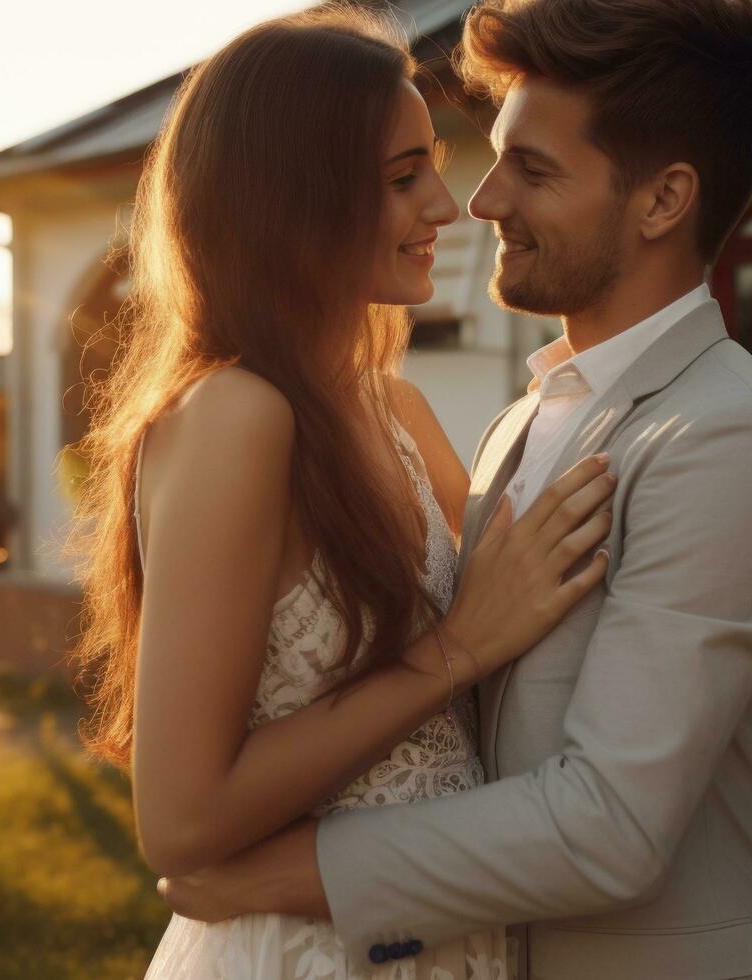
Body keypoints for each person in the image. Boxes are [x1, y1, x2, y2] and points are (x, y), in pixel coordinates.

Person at [155, 1, 752, 978]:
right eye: (487, 158)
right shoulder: (519, 423)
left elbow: (608, 824)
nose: (478, 202)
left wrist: (270, 877)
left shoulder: (730, 439)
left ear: (662, 202)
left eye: (533, 169)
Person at [69, 6, 617, 977]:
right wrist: (460, 645)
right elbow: (180, 819)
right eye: (405, 177)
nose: (445, 208)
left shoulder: (396, 410)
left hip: (440, 933)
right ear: (294, 197)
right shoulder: (237, 415)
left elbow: (515, 616)